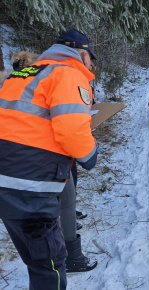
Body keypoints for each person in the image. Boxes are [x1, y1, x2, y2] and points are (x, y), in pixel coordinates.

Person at [0, 29, 99, 289]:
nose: (91, 64)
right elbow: (72, 130)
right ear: (82, 54)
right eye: (90, 58)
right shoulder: (69, 73)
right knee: (50, 266)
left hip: (6, 181)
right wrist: (91, 155)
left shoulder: (23, 74)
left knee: (36, 260)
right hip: (31, 186)